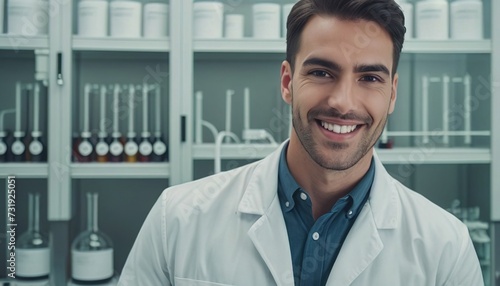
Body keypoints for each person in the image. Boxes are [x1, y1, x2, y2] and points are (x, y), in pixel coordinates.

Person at [118, 0, 484, 285]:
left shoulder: (445, 248)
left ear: (392, 94)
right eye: (322, 72)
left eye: (370, 77)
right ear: (288, 82)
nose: (342, 102)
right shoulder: (178, 220)